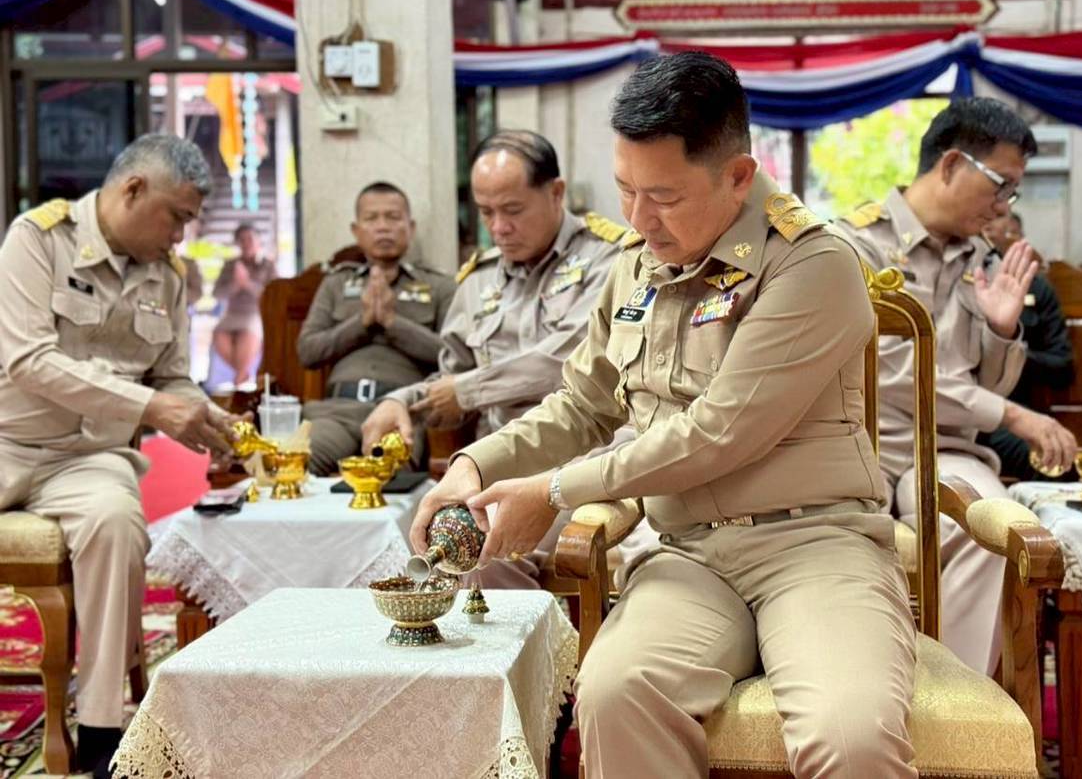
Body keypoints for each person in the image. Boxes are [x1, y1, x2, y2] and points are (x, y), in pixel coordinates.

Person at [408, 54, 917, 777]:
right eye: (625, 191)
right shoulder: (637, 265)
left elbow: (719, 432)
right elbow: (581, 403)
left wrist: (553, 493)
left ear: (738, 176)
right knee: (615, 693)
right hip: (690, 555)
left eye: (665, 197)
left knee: (849, 736)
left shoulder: (813, 264)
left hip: (816, 547)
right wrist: (473, 464)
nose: (639, 220)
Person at [0, 134, 241, 778]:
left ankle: (104, 728)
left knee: (117, 524)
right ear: (132, 190)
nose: (181, 237)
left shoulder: (170, 277)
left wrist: (198, 411)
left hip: (86, 457)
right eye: (177, 218)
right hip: (4, 440)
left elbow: (171, 376)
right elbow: (27, 361)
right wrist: (150, 407)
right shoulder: (37, 239)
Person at [839, 97, 1078, 676]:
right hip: (857, 442)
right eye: (1001, 185)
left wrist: (1001, 329)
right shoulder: (855, 245)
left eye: (1013, 192)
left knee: (988, 525)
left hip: (947, 448)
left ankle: (958, 704)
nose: (1004, 205)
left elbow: (992, 379)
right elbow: (890, 375)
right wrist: (1016, 416)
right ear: (949, 165)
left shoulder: (983, 258)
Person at [361, 131, 635, 588]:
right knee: (399, 533)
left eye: (512, 210)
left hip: (579, 464)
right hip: (491, 464)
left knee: (484, 548)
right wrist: (400, 403)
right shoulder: (479, 279)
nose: (498, 227)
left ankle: (536, 660)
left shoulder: (611, 262)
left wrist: (466, 391)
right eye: (486, 212)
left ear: (555, 193)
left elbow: (567, 360)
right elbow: (451, 374)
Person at [296, 182, 455, 475]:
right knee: (298, 467)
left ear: (411, 226)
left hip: (401, 412)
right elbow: (308, 351)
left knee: (391, 475)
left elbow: (454, 355)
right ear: (357, 231)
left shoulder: (439, 286)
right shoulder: (336, 284)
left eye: (393, 217)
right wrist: (363, 322)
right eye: (372, 219)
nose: (383, 227)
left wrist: (394, 323)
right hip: (336, 413)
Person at [977, 212, 1075, 480]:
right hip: (952, 415)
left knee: (1058, 462)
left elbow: (1062, 366)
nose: (986, 220)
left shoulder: (1034, 287)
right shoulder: (942, 276)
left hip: (1010, 415)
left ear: (1010, 229)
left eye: (997, 215)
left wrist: (1008, 351)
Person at [211, 223, 275, 387]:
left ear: (258, 241)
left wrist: (247, 284)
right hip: (232, 313)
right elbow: (217, 293)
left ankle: (239, 379)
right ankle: (243, 375)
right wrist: (236, 284)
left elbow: (273, 295)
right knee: (219, 334)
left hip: (255, 313)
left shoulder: (268, 266)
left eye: (250, 239)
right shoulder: (230, 265)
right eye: (242, 240)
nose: (246, 243)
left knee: (248, 333)